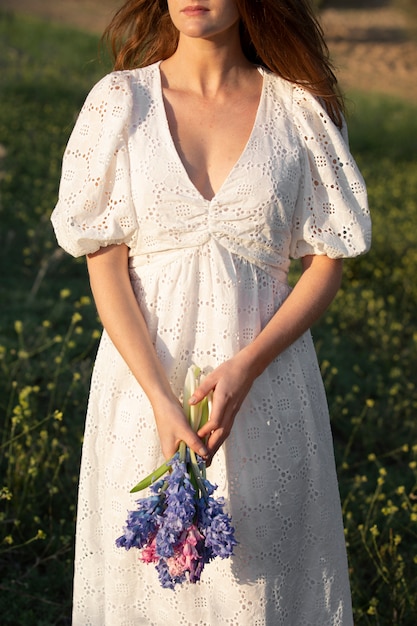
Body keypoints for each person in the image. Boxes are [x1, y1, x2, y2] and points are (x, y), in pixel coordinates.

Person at [51, 0, 371, 623]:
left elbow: (326, 260)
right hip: (144, 386)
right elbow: (104, 262)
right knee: (145, 584)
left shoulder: (299, 110)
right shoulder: (120, 102)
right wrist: (161, 399)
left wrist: (248, 366)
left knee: (260, 585)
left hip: (267, 383)